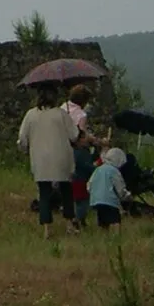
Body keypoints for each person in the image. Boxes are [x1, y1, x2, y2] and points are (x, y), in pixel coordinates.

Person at [18, 83, 84, 238]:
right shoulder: (61, 114)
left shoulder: (31, 115)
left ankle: (47, 229)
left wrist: (25, 149)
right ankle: (69, 225)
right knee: (66, 192)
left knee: (44, 193)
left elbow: (22, 139)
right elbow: (74, 135)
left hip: (40, 159)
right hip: (61, 158)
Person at [64, 83, 102, 224]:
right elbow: (82, 135)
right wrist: (96, 141)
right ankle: (79, 218)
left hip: (63, 150)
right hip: (78, 150)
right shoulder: (81, 114)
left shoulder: (63, 108)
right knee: (81, 188)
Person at [86, 145, 130, 230]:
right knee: (115, 220)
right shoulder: (114, 171)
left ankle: (104, 237)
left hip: (96, 199)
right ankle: (116, 237)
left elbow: (89, 184)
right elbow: (120, 187)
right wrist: (126, 195)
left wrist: (93, 193)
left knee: (102, 220)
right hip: (110, 200)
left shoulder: (98, 169)